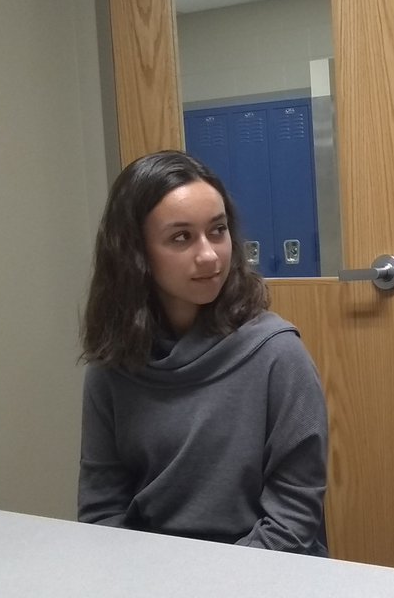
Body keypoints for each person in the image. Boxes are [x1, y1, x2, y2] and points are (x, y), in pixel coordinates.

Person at [78, 150, 328, 556]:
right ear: (136, 254)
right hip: (149, 576)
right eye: (181, 237)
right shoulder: (112, 367)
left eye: (218, 231)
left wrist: (210, 595)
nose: (210, 255)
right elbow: (101, 510)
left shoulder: (277, 355)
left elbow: (292, 519)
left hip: (261, 575)